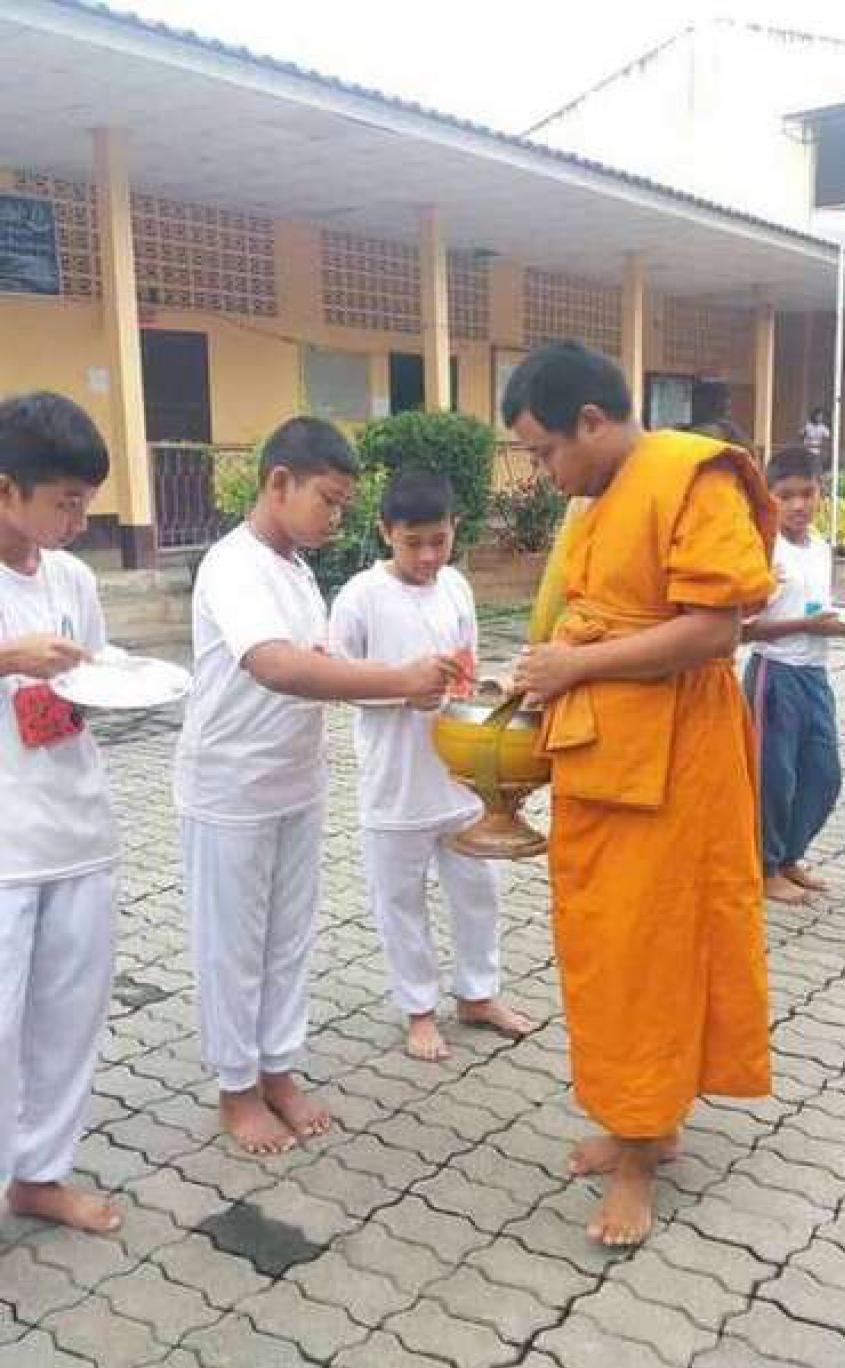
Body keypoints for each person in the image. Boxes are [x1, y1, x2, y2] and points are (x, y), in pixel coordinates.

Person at [504, 340, 775, 1248]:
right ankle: (639, 1124)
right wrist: (550, 671)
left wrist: (577, 665)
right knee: (605, 949)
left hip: (675, 764)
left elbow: (714, 631)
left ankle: (639, 1159)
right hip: (605, 759)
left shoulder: (693, 475)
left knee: (648, 956)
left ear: (592, 420)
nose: (544, 473)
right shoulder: (601, 495)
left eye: (545, 451)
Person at [174, 419, 456, 1155]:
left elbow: (322, 661)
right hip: (231, 786)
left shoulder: (297, 570)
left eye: (342, 505)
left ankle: (277, 1067)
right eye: (328, 501)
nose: (336, 517)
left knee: (288, 937)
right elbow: (276, 666)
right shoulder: (233, 566)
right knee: (233, 944)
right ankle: (236, 1088)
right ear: (279, 483)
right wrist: (396, 679)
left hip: (296, 780)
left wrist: (404, 686)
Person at [329, 469, 533, 1062]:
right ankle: (418, 1009)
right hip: (395, 785)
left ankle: (478, 994)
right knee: (400, 901)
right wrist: (401, 692)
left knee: (479, 890)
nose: (426, 556)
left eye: (438, 541)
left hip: (461, 779)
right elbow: (337, 680)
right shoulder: (360, 597)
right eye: (412, 542)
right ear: (385, 532)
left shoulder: (456, 589)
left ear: (455, 529)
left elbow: (466, 668)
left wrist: (488, 685)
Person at [0, 391, 121, 1235]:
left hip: (78, 827)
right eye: (65, 503)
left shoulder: (73, 577)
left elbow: (93, 677)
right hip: (4, 847)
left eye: (85, 504)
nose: (79, 522)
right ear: (7, 489)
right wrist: (10, 655)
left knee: (68, 1018)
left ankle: (41, 1175)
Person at [743, 448, 845, 905]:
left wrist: (841, 623)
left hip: (815, 675)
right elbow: (742, 629)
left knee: (823, 775)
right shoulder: (763, 549)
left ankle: (789, 857)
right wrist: (805, 625)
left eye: (808, 493)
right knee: (774, 779)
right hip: (774, 673)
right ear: (769, 498)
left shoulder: (821, 547)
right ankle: (764, 867)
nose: (799, 505)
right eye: (786, 496)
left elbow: (818, 610)